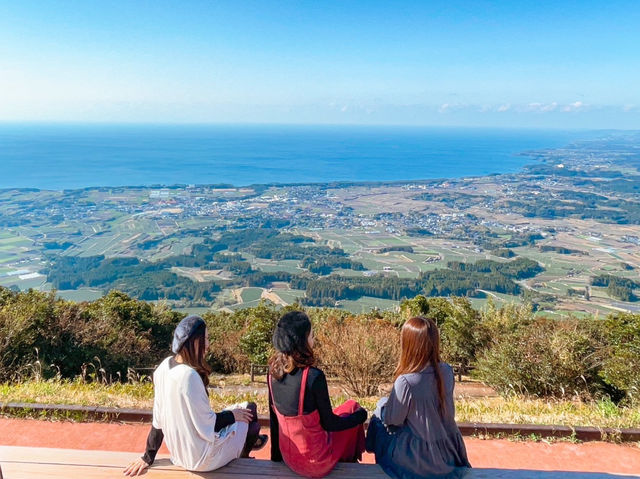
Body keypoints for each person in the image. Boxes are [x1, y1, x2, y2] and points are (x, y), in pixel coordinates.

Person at [123, 315, 266, 476]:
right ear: (195, 342)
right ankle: (244, 456)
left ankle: (252, 441)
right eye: (206, 339)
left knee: (243, 417)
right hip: (204, 459)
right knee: (250, 410)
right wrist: (233, 416)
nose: (209, 345)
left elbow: (158, 421)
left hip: (179, 457)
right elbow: (209, 424)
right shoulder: (189, 376)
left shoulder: (163, 368)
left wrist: (147, 457)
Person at [366, 316, 471, 479]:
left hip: (418, 459)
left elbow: (394, 420)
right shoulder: (446, 371)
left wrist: (383, 408)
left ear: (407, 344)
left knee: (379, 414)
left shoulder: (406, 381)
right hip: (448, 453)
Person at [268, 311, 367, 478]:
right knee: (353, 407)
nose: (314, 340)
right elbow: (330, 424)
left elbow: (274, 420)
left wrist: (275, 458)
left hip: (289, 458)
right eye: (311, 335)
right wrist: (361, 416)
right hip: (315, 463)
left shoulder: (272, 373)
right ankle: (350, 464)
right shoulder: (313, 377)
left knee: (348, 410)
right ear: (302, 342)